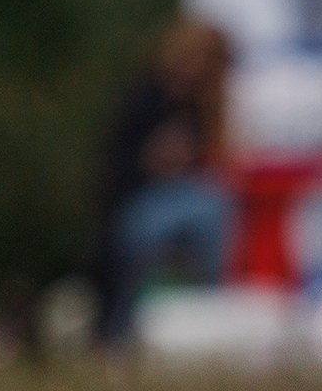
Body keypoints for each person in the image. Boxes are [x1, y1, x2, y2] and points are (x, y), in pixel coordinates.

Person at [96, 19, 235, 344]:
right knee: (211, 214)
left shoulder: (203, 107)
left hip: (180, 204)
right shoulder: (146, 99)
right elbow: (117, 166)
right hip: (135, 204)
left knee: (216, 211)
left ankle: (204, 321)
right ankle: (120, 331)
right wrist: (154, 160)